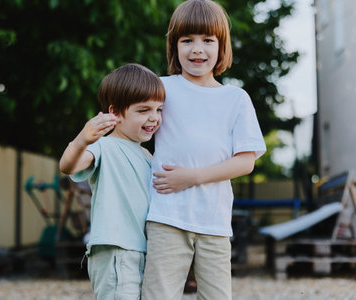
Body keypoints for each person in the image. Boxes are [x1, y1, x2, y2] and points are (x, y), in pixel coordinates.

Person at [141, 1, 267, 299]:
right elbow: (133, 129)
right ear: (174, 46)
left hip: (213, 220)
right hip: (166, 216)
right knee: (159, 294)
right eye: (187, 41)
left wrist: (193, 177)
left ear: (221, 47)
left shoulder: (235, 98)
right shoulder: (161, 89)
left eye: (207, 40)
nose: (197, 49)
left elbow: (245, 162)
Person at [59, 63, 165, 300]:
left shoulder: (147, 155)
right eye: (143, 110)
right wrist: (81, 140)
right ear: (115, 113)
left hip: (141, 249)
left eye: (158, 109)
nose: (154, 118)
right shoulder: (104, 146)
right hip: (116, 248)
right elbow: (68, 166)